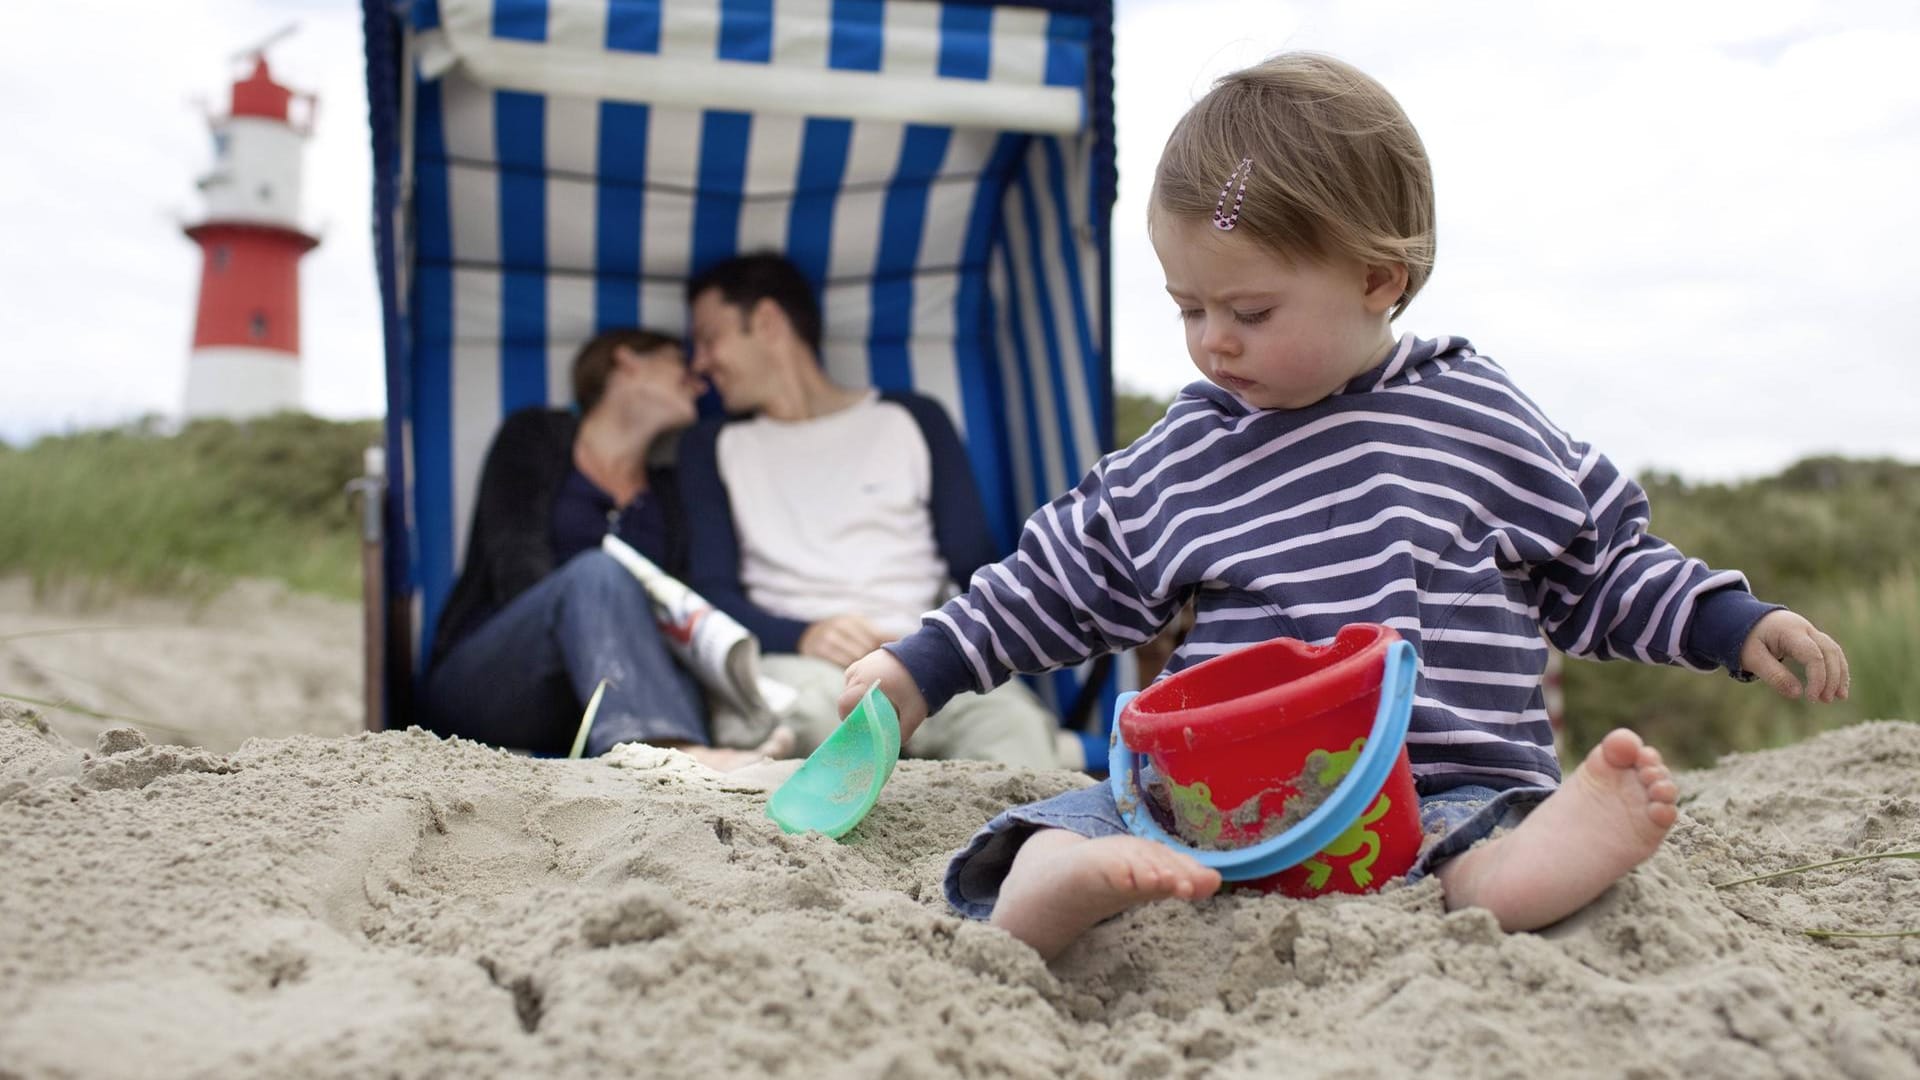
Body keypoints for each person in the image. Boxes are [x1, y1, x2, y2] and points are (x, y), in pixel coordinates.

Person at [839, 52, 1851, 959]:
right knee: (1083, 819)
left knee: (1484, 835)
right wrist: (925, 664)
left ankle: (1504, 878)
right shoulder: (1194, 448)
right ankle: (1057, 886)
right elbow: (1065, 577)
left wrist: (1728, 619)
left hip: (1438, 786)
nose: (1211, 344)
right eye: (1187, 308)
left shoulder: (1477, 418)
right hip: (1223, 795)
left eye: (1249, 311)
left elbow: (1597, 562)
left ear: (1378, 277)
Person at [677, 254, 1062, 770]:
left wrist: (928, 642)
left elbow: (976, 567)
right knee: (815, 722)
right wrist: (805, 633)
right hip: (799, 666)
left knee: (1011, 727)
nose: (699, 363)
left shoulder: (911, 419)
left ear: (766, 321)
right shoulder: (714, 445)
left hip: (925, 650)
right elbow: (712, 594)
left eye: (708, 338)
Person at [424, 328, 790, 769]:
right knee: (596, 573)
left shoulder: (672, 495)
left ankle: (669, 745)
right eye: (680, 362)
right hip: (496, 681)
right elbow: (515, 568)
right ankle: (666, 753)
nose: (698, 380)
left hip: (602, 703)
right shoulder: (535, 436)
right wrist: (601, 622)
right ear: (626, 361)